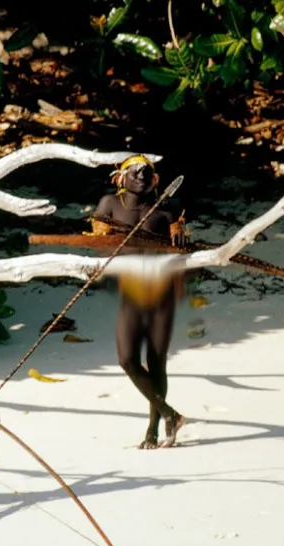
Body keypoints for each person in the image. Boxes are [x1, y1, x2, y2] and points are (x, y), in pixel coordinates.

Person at [91, 155, 188, 449]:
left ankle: (154, 430)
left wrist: (180, 233)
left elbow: (179, 236)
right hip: (131, 292)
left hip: (161, 292)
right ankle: (170, 414)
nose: (142, 175)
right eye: (135, 171)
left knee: (156, 362)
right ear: (120, 177)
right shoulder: (110, 204)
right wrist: (103, 236)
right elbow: (98, 235)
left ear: (155, 180)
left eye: (147, 172)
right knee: (127, 360)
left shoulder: (167, 207)